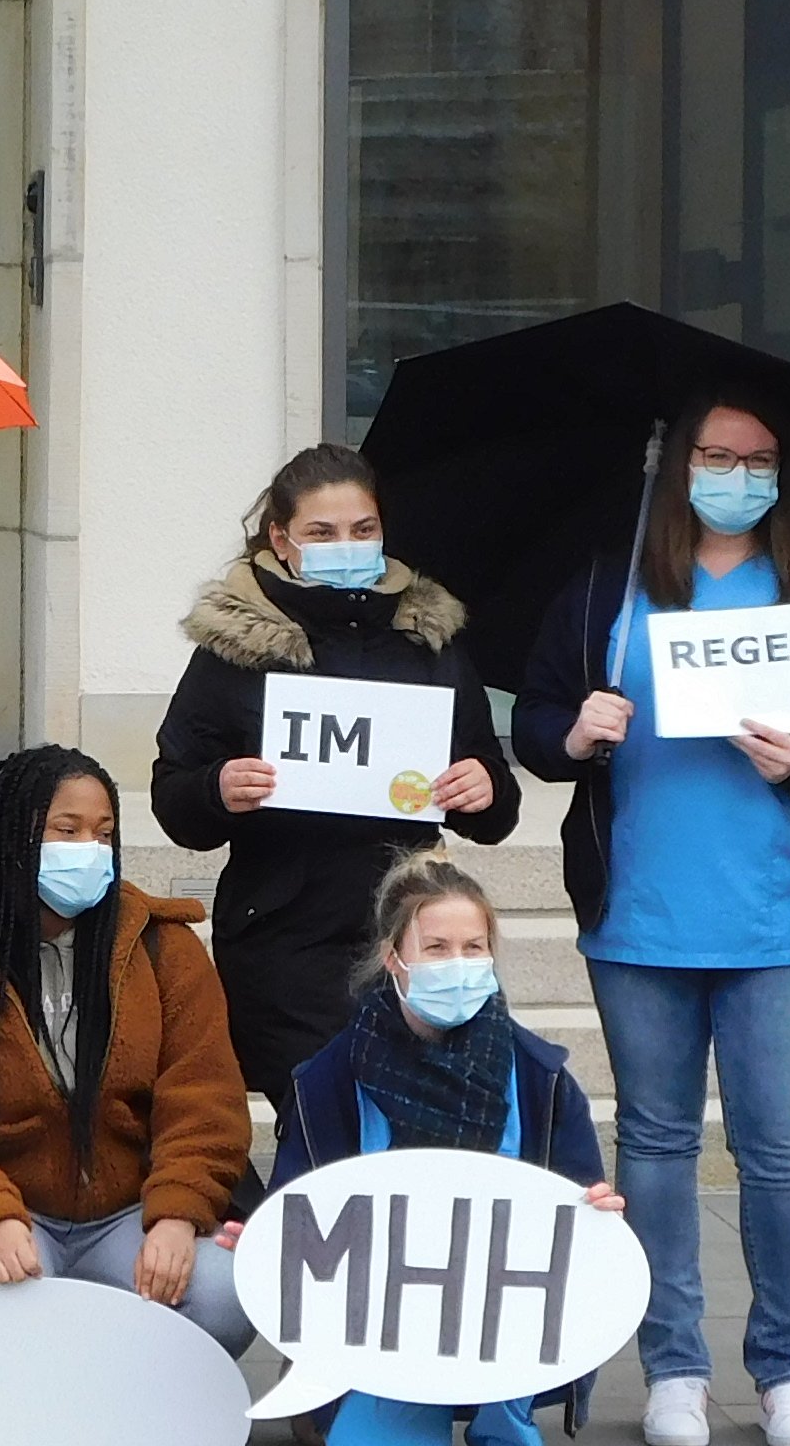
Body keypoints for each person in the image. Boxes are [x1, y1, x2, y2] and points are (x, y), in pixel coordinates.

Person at [509, 399, 790, 1446]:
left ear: (784, 475)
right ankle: (674, 1366)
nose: (733, 474)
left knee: (779, 1149)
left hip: (778, 917)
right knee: (650, 1144)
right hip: (642, 913)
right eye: (713, 455)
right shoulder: (609, 586)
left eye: (756, 460)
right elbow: (535, 725)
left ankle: (789, 1369)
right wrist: (576, 731)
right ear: (677, 463)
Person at [151, 443, 520, 1167]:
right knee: (324, 1126)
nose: (347, 546)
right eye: (322, 533)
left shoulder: (429, 639)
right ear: (281, 541)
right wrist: (217, 789)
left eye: (363, 529)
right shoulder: (233, 649)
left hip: (408, 937)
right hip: (285, 937)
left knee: (416, 1132)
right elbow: (175, 797)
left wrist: (481, 788)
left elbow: (494, 801)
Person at [243, 855, 621, 1446]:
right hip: (376, 1324)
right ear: (394, 959)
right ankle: (350, 1406)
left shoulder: (539, 1076)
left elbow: (574, 1204)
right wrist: (266, 1239)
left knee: (514, 1286)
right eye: (437, 948)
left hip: (493, 1318)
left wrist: (596, 1211)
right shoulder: (328, 1079)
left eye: (474, 948)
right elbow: (297, 1199)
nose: (459, 963)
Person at [0, 744, 256, 1358]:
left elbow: (204, 1096)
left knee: (224, 1294)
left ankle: (130, 1420)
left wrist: (178, 1213)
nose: (88, 849)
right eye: (66, 830)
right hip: (6, 1211)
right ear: (12, 836)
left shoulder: (164, 948)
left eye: (103, 833)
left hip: (129, 1212)